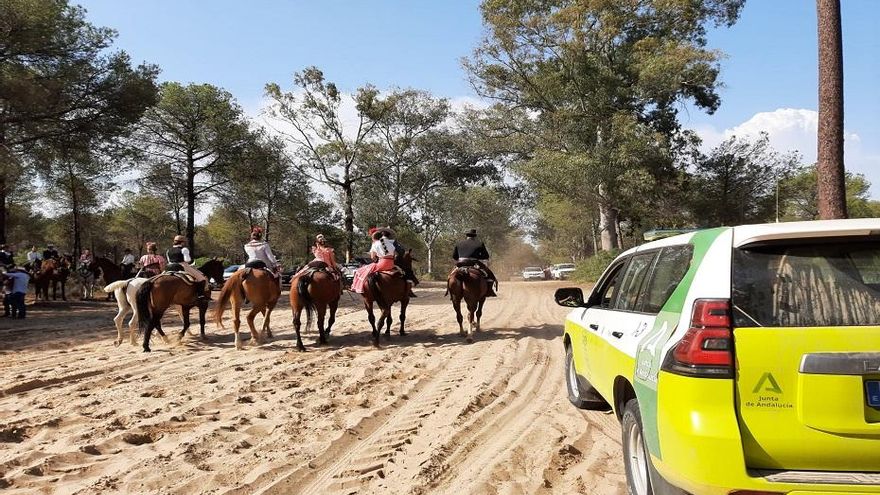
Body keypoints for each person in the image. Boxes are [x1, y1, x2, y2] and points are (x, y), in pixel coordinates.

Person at [350, 228, 398, 294]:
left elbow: (373, 257)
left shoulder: (375, 244)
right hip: (391, 264)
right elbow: (395, 254)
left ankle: (357, 288)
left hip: (382, 264)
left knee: (360, 271)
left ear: (373, 238)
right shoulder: (389, 243)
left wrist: (376, 260)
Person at [452, 229, 498, 297]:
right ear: (474, 236)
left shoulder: (459, 243)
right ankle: (490, 290)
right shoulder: (479, 243)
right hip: (473, 262)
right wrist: (477, 256)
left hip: (460, 263)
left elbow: (454, 256)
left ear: (467, 235)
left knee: (451, 274)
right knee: (488, 273)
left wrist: (461, 258)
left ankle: (449, 290)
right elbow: (486, 256)